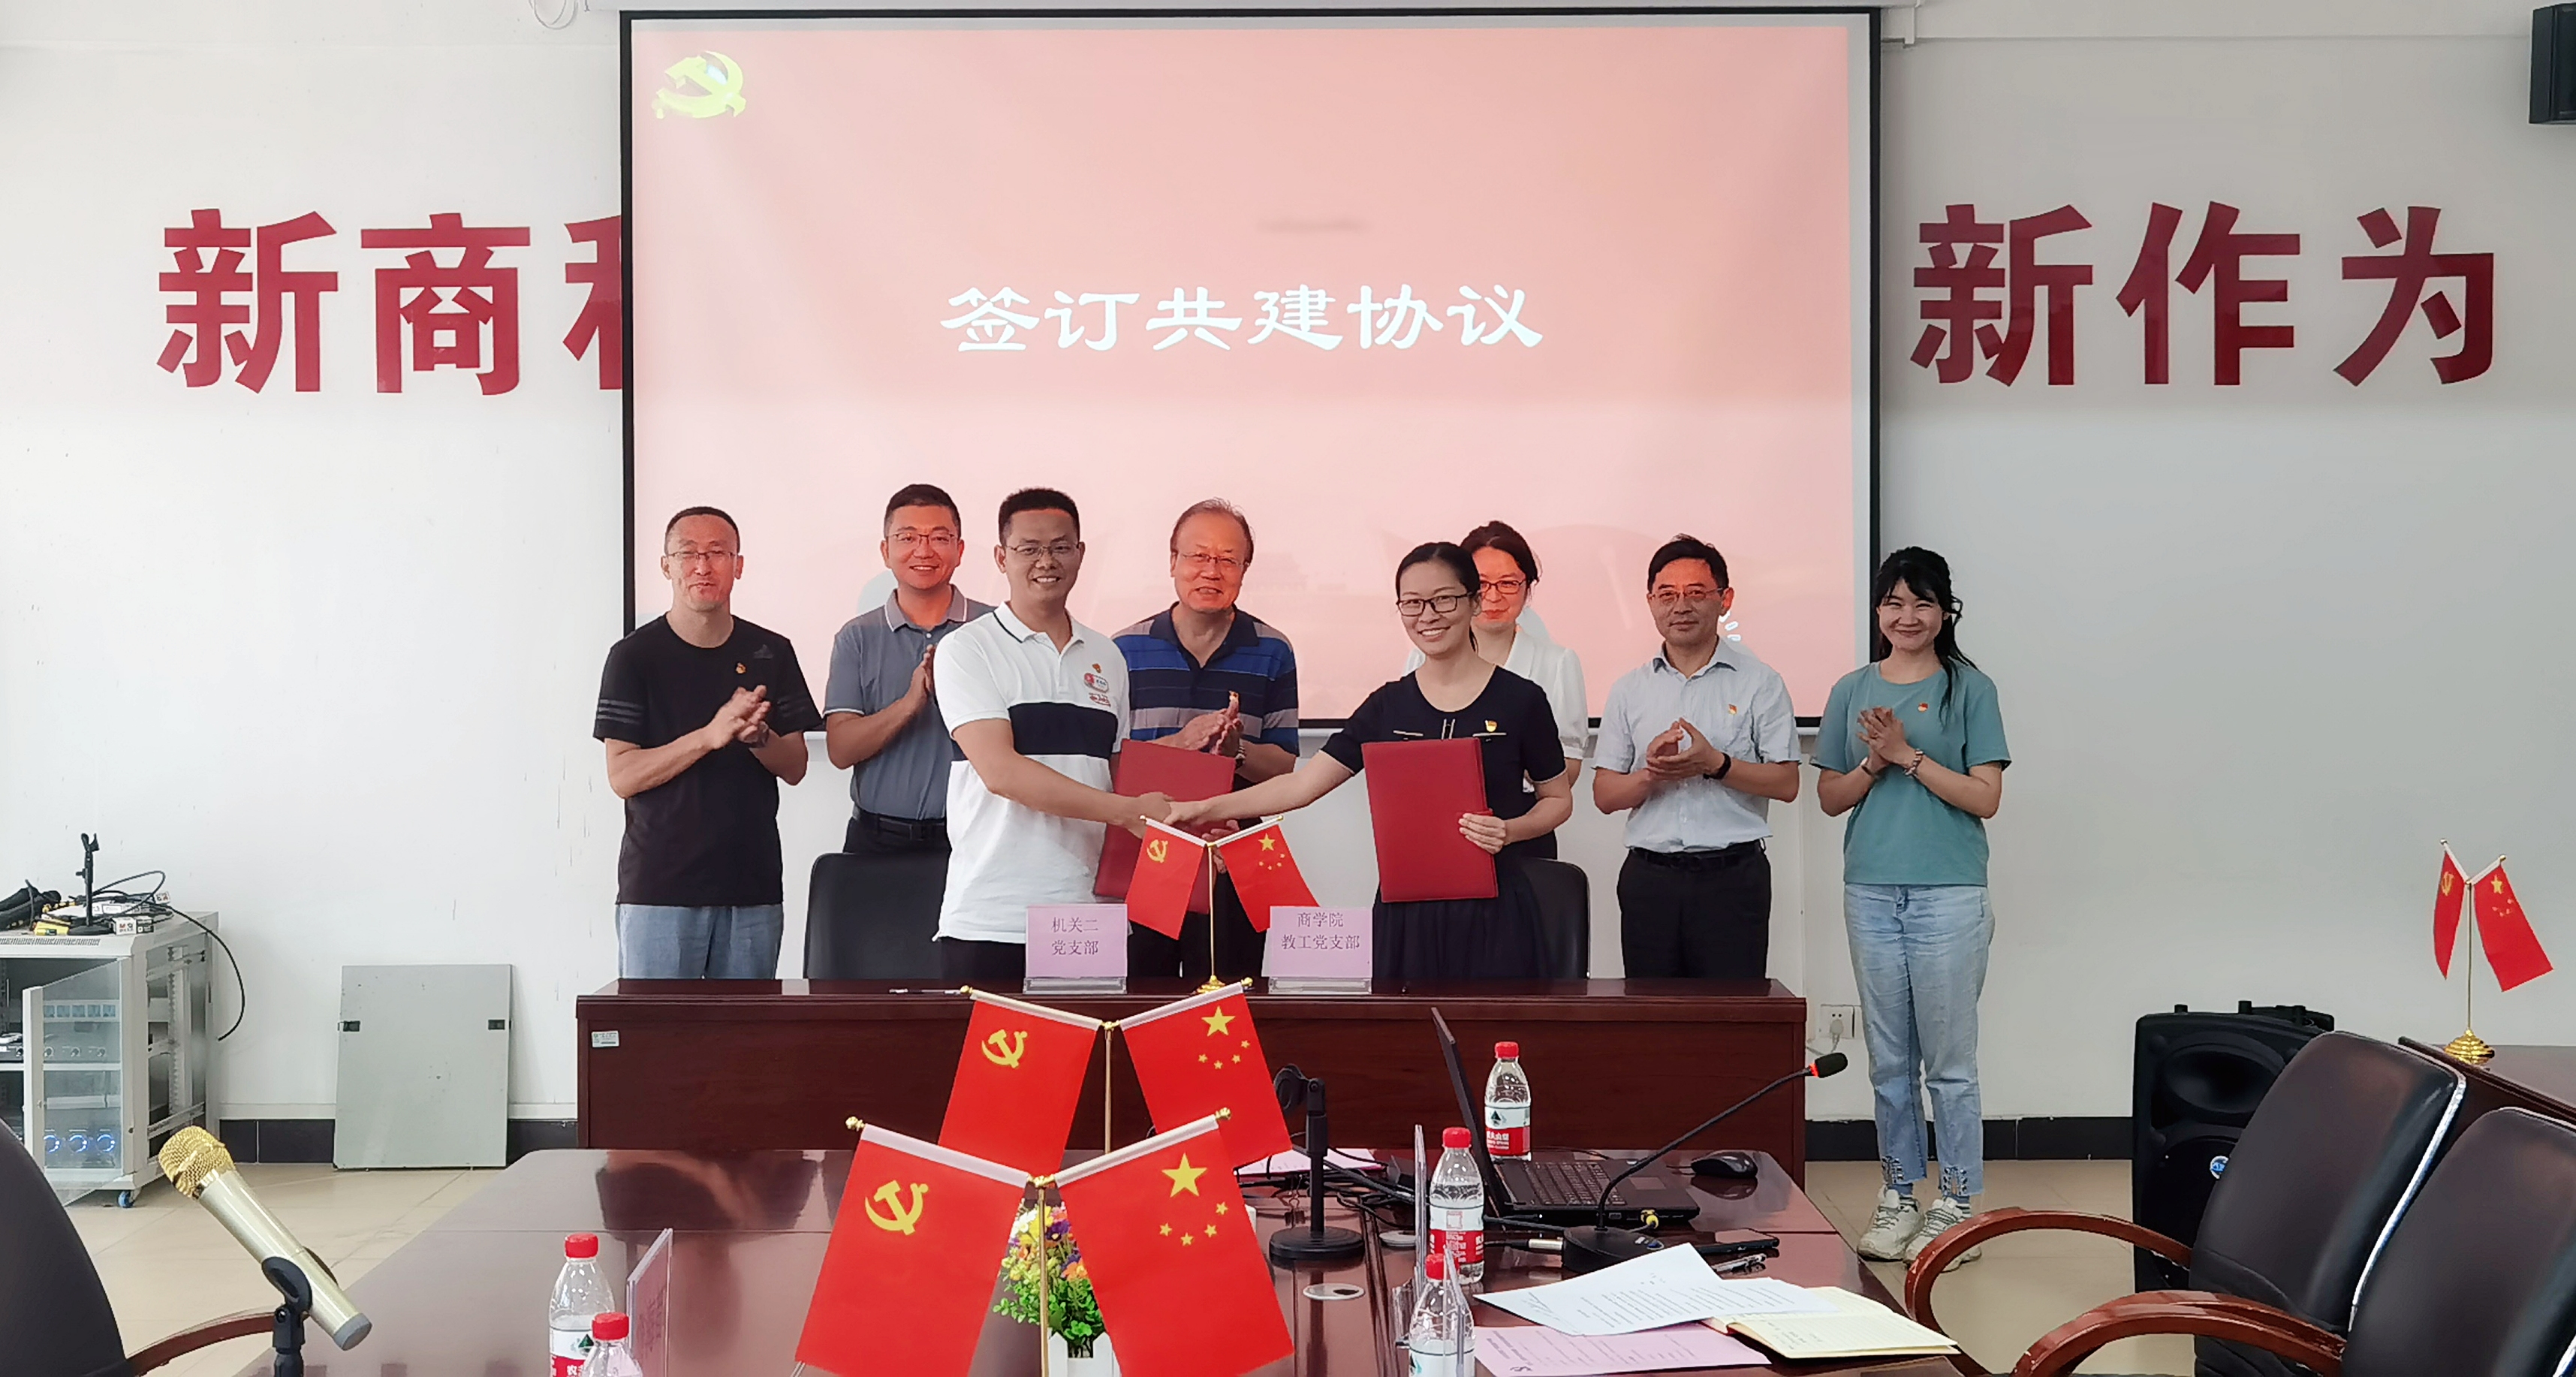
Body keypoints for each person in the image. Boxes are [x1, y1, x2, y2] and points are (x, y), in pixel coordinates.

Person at [1168, 543, 1570, 981]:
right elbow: (1300, 787)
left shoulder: (1521, 700)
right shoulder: (1387, 706)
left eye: (1444, 600)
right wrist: (1200, 808)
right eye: (1412, 603)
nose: (1428, 616)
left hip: (1498, 909)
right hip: (1406, 911)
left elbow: (1557, 800)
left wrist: (1510, 830)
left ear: (1473, 602)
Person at [1813, 547, 2010, 1270]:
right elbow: (1829, 798)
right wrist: (1872, 760)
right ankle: (1899, 1194)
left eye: (1922, 603)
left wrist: (1905, 754)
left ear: (1944, 612)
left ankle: (1956, 1204)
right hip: (1870, 890)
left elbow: (1985, 798)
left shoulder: (1970, 689)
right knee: (1889, 1061)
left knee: (1948, 1065)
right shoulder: (1851, 689)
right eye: (1893, 603)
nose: (1907, 617)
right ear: (1877, 611)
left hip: (1949, 894)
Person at [932, 487, 1174, 984]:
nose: (1046, 561)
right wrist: (1127, 812)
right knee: (997, 1041)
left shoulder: (1106, 655)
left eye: (1061, 547)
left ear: (1080, 554)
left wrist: (1186, 826)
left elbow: (1117, 774)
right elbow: (1001, 773)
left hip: (1092, 914)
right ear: (1001, 557)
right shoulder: (966, 649)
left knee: (1094, 1039)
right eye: (1029, 549)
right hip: (995, 916)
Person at [594, 506, 822, 979]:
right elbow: (623, 776)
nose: (703, 566)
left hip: (752, 889)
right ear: (666, 566)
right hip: (659, 892)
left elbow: (796, 765)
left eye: (717, 553)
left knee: (744, 1029)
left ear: (738, 565)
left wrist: (759, 738)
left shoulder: (772, 651)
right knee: (657, 1028)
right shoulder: (633, 657)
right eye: (688, 553)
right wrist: (708, 737)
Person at [1592, 537, 1799, 980]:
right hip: (1650, 880)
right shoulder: (1629, 689)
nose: (1681, 606)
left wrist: (1716, 765)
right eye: (1667, 594)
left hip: (1733, 878)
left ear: (1725, 599)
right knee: (1652, 1014)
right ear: (1650, 602)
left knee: (1731, 1013)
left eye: (1696, 593)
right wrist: (1652, 774)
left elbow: (1786, 784)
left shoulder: (1760, 683)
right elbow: (1605, 795)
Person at [1113, 499, 1301, 982]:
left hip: (1233, 851)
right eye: (1198, 556)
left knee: (1228, 997)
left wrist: (1238, 750)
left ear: (1245, 569)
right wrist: (1180, 742)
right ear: (1173, 561)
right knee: (1143, 992)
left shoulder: (1272, 649)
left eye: (1227, 560)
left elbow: (1285, 767)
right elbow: (1108, 764)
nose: (1211, 571)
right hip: (1148, 850)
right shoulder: (1124, 650)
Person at [822, 484, 992, 858]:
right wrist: (910, 704)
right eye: (908, 537)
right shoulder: (857, 637)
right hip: (877, 841)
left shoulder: (993, 630)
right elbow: (840, 750)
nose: (924, 551)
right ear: (886, 551)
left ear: (960, 550)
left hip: (976, 840)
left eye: (939, 538)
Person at [1406, 521, 1586, 856]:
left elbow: (1568, 768)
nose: (1493, 596)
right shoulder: (1422, 657)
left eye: (1508, 583)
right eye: (1482, 583)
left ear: (1527, 588)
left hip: (1521, 832)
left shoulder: (1557, 662)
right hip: (1437, 831)